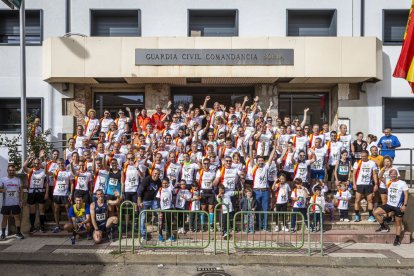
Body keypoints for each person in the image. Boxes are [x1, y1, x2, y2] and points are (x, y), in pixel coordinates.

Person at [248, 139, 277, 231]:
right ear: (257, 161)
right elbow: (251, 158)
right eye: (259, 160)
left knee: (265, 209)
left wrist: (275, 146)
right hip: (256, 191)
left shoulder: (266, 166)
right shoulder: (253, 167)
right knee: (257, 209)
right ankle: (258, 225)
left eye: (262, 160)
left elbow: (271, 157)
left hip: (265, 191)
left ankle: (264, 227)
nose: (260, 161)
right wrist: (250, 146)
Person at [373, 169, 408, 246]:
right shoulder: (389, 182)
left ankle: (397, 239)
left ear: (397, 174)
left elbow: (406, 195)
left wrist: (404, 205)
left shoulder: (402, 183)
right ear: (389, 175)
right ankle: (383, 227)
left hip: (398, 206)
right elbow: (379, 176)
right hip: (389, 205)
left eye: (394, 174)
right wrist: (383, 168)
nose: (393, 175)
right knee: (375, 212)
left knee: (398, 223)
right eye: (391, 174)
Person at [23, 156, 48, 233]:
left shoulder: (43, 171)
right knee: (32, 210)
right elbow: (24, 166)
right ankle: (32, 226)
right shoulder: (30, 171)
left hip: (40, 192)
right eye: (35, 163)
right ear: (33, 163)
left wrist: (46, 193)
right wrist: (29, 158)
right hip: (31, 192)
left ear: (40, 163)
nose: (36, 165)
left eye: (38, 163)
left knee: (42, 210)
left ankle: (42, 226)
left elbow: (46, 183)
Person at [352, 150, 378, 222]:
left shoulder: (372, 163)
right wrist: (354, 184)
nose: (363, 158)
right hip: (359, 184)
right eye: (362, 156)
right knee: (357, 200)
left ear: (367, 156)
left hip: (368, 184)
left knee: (370, 200)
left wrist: (376, 184)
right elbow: (353, 174)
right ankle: (357, 215)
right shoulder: (357, 162)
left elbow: (375, 174)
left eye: (364, 156)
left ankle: (371, 216)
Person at [0, 164, 24, 240]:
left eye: (13, 170)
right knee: (5, 218)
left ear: (15, 171)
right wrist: (1, 190)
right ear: (7, 171)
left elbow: (21, 191)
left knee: (17, 217)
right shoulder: (2, 179)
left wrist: (21, 200)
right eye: (10, 170)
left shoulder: (18, 180)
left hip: (16, 202)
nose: (11, 172)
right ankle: (3, 234)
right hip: (6, 202)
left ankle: (18, 233)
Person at [138, 169, 162, 241]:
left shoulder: (159, 181)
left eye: (158, 174)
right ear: (152, 173)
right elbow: (139, 191)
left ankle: (161, 231)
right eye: (155, 173)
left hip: (153, 200)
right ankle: (143, 234)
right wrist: (139, 201)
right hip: (144, 201)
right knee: (142, 217)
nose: (156, 175)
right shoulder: (147, 179)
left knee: (160, 214)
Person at [52, 158, 74, 233]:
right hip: (56, 193)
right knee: (56, 210)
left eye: (62, 163)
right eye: (59, 163)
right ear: (57, 164)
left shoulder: (69, 172)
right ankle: (57, 226)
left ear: (64, 163)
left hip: (65, 193)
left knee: (68, 208)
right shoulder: (55, 172)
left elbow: (72, 183)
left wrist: (71, 193)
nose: (60, 165)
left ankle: (71, 225)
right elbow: (47, 173)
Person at [156, 177, 175, 242]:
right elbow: (158, 199)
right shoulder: (160, 189)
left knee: (169, 222)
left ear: (168, 183)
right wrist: (159, 208)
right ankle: (160, 235)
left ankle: (170, 235)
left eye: (166, 183)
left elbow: (174, 182)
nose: (164, 185)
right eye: (163, 183)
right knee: (161, 223)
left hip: (169, 208)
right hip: (162, 209)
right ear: (162, 183)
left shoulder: (170, 188)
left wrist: (173, 179)